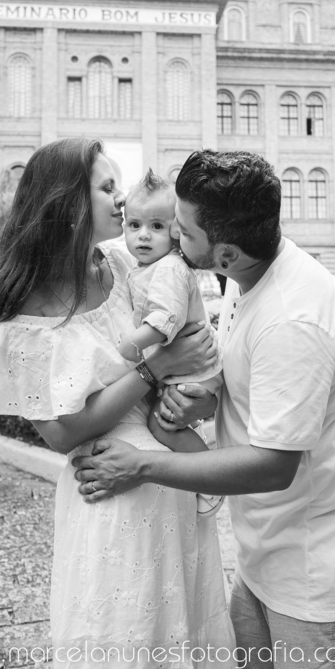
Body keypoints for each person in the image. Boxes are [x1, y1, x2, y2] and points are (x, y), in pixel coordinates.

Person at [73, 150, 335, 669]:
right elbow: (254, 387)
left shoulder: (294, 318)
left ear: (226, 253)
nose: (173, 235)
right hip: (264, 556)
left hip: (314, 573)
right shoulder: (248, 278)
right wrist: (207, 398)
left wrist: (141, 465)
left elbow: (274, 464)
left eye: (184, 231)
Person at [0, 138, 236, 669]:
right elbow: (63, 433)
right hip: (110, 500)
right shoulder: (23, 317)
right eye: (108, 187)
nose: (124, 200)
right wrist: (154, 367)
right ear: (68, 204)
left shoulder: (126, 265)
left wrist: (192, 402)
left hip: (173, 487)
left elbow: (194, 348)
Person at [118, 168, 224, 516]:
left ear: (176, 231)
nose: (143, 236)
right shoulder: (146, 267)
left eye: (156, 227)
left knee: (162, 425)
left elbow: (164, 322)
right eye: (134, 226)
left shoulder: (169, 269)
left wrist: (132, 344)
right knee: (165, 421)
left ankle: (211, 478)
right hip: (184, 366)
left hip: (193, 368)